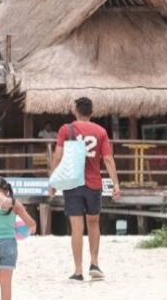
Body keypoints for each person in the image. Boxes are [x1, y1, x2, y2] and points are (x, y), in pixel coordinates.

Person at [50, 97, 121, 281]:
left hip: (73, 183)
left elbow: (58, 156)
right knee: (94, 223)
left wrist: (53, 182)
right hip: (94, 183)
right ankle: (95, 263)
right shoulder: (100, 131)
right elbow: (107, 159)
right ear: (91, 112)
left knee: (76, 227)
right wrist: (116, 184)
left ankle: (78, 270)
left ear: (75, 110)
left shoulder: (66, 129)